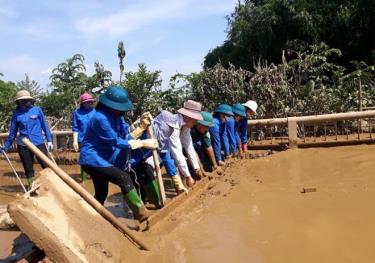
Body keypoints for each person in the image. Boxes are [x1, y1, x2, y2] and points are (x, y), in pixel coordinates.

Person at [79, 86, 158, 221]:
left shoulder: (117, 116)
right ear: (110, 106)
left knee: (102, 193)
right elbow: (115, 141)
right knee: (123, 178)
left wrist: (141, 126)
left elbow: (126, 134)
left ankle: (89, 219)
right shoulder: (100, 118)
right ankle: (142, 215)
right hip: (93, 159)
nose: (123, 111)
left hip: (106, 158)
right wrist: (142, 143)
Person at [1, 90, 53, 188]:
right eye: (25, 100)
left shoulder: (37, 110)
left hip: (38, 143)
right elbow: (12, 133)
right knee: (28, 169)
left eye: (29, 100)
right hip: (23, 145)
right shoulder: (16, 114)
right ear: (20, 102)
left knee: (46, 166)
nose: (28, 102)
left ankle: (51, 186)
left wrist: (49, 140)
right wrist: (6, 147)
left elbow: (44, 125)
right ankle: (33, 188)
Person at [152, 100, 203, 194]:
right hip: (153, 151)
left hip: (165, 150)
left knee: (178, 164)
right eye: (195, 120)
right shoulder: (173, 125)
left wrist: (196, 167)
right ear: (187, 117)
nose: (196, 122)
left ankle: (181, 188)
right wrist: (188, 176)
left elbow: (189, 146)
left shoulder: (186, 126)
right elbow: (177, 153)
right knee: (153, 174)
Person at [71, 92, 96, 182]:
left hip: (96, 140)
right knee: (84, 159)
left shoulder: (96, 112)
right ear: (83, 103)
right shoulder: (77, 113)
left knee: (95, 159)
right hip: (83, 140)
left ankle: (95, 178)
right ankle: (83, 180)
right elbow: (75, 128)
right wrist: (75, 141)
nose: (89, 104)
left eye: (90, 102)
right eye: (87, 102)